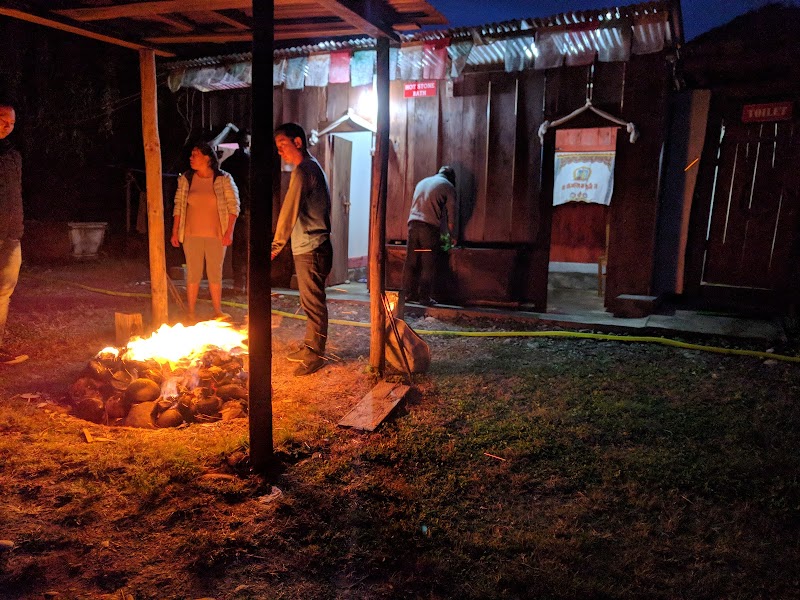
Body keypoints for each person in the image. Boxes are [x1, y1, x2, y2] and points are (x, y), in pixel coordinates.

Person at [273, 122, 332, 377]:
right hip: (311, 245)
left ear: (298, 142)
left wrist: (276, 245)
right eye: (277, 147)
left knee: (313, 302)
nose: (280, 151)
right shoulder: (310, 168)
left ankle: (315, 354)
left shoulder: (303, 171)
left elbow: (288, 211)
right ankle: (311, 346)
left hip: (311, 246)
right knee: (310, 301)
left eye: (282, 145)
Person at [170, 142, 240, 322]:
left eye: (195, 155)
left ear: (207, 158)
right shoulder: (186, 179)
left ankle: (217, 310)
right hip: (192, 234)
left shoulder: (223, 179)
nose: (191, 158)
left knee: (215, 272)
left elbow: (234, 207)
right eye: (191, 155)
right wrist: (175, 231)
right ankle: (191, 311)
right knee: (193, 272)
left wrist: (229, 232)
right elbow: (179, 206)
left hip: (216, 234)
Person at [402, 166, 458, 306]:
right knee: (428, 263)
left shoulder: (423, 182)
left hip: (413, 226)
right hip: (428, 229)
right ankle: (424, 298)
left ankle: (408, 294)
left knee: (411, 261)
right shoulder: (448, 186)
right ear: (451, 178)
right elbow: (451, 216)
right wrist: (452, 236)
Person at [0, 100, 27, 365]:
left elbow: (15, 194)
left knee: (3, 293)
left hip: (10, 234)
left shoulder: (12, 155)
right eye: (2, 119)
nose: (8, 126)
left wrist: (17, 226)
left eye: (12, 122)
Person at [222, 128, 251, 293]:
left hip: (233, 210)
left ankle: (238, 282)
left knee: (237, 248)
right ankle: (245, 282)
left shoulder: (228, 164)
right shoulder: (249, 162)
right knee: (245, 247)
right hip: (245, 209)